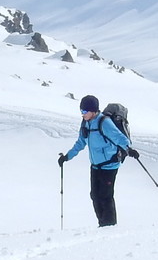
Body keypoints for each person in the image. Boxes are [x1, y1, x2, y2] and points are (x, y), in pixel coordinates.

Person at [58, 95, 137, 227]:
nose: (82, 114)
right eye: (81, 111)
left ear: (93, 110)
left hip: (110, 166)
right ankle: (103, 224)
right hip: (95, 166)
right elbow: (80, 143)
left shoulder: (104, 122)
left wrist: (129, 150)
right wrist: (67, 157)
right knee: (95, 196)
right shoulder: (86, 123)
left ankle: (109, 226)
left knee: (105, 197)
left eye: (84, 111)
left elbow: (120, 138)